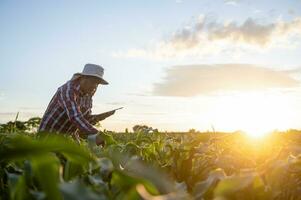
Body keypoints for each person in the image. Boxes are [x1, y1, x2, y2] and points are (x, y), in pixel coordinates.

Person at [38, 63, 114, 145]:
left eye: (97, 84)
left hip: (67, 138)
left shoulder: (88, 96)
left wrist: (102, 116)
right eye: (93, 82)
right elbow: (75, 117)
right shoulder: (68, 90)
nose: (94, 87)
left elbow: (84, 120)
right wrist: (95, 134)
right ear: (83, 78)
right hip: (48, 137)